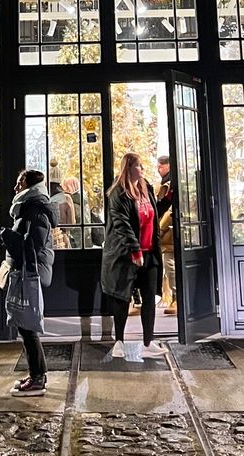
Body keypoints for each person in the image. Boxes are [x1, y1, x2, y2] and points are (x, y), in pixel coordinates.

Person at [100, 152, 166, 359]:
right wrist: (134, 249)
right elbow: (122, 224)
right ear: (128, 168)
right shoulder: (118, 193)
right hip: (125, 254)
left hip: (149, 253)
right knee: (122, 298)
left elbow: (152, 216)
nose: (142, 169)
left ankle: (148, 341)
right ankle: (118, 341)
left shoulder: (146, 187)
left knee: (149, 298)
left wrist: (167, 201)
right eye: (138, 166)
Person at [0, 169, 58, 397]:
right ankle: (35, 373)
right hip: (27, 270)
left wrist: (6, 237)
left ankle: (38, 378)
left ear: (28, 186)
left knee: (28, 325)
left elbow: (32, 244)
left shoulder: (35, 210)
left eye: (19, 182)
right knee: (25, 325)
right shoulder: (30, 208)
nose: (15, 187)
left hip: (30, 272)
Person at [155, 156, 177, 315]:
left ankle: (177, 298)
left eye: (160, 166)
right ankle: (172, 297)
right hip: (167, 233)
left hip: (169, 233)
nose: (158, 169)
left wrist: (160, 229)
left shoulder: (169, 185)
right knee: (168, 266)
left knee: (170, 266)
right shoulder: (167, 184)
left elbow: (168, 210)